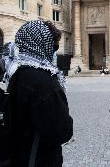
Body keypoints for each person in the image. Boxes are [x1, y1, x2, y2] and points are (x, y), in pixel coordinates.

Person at [1, 20, 73, 167]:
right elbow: (61, 131)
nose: (54, 49)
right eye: (53, 45)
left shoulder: (9, 72)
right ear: (43, 45)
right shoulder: (45, 83)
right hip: (37, 159)